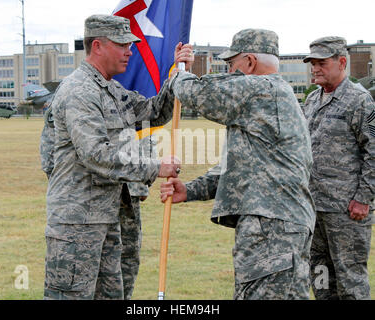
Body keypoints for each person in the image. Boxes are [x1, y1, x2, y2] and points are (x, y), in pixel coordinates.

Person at [43, 14, 191, 300]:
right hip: (78, 224)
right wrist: (155, 167)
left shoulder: (111, 89)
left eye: (130, 44)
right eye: (122, 44)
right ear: (97, 46)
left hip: (108, 218)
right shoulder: (80, 91)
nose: (130, 51)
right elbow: (96, 153)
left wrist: (177, 72)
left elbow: (153, 112)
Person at [160, 28, 316, 300]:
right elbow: (241, 170)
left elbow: (200, 94)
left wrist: (179, 72)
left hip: (273, 229)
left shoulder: (263, 89)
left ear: (250, 63)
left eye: (231, 65)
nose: (229, 72)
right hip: (277, 226)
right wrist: (191, 190)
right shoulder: (269, 98)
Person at [40, 104, 157, 300]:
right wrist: (71, 190)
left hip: (127, 197)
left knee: (124, 264)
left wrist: (141, 184)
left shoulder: (124, 96)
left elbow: (144, 132)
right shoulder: (77, 94)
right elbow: (51, 153)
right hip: (88, 200)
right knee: (77, 274)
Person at [303, 36, 375, 300]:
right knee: (320, 276)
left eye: (321, 62)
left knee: (350, 280)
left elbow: (374, 151)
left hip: (347, 212)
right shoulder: (312, 101)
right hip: (314, 209)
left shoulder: (361, 101)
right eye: (313, 63)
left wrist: (363, 198)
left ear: (341, 62)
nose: (315, 68)